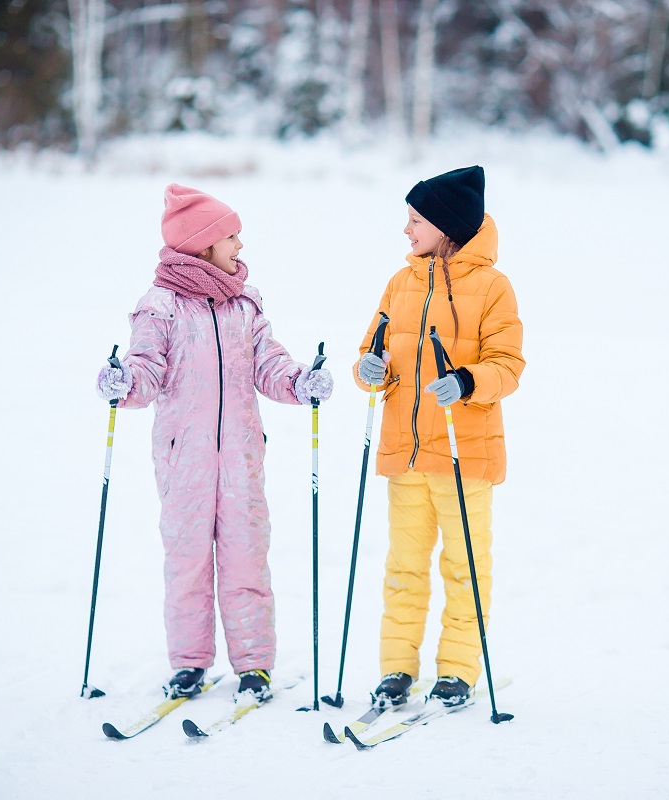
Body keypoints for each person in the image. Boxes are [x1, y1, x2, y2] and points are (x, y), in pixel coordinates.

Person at [96, 183, 333, 701]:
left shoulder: (245, 304)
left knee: (247, 559)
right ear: (202, 243)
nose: (240, 247)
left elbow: (269, 363)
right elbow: (146, 372)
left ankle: (254, 664)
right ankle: (189, 663)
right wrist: (123, 383)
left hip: (242, 461)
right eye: (231, 237)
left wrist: (298, 382)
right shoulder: (159, 307)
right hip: (186, 462)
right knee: (187, 564)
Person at [353, 165, 525, 708]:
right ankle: (397, 668)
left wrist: (469, 380)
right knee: (403, 566)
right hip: (405, 456)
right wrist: (370, 369)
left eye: (415, 220)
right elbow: (368, 351)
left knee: (464, 565)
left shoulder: (493, 287)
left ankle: (456, 669)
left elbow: (509, 365)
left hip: (463, 456)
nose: (406, 230)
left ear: (447, 226)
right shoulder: (401, 282)